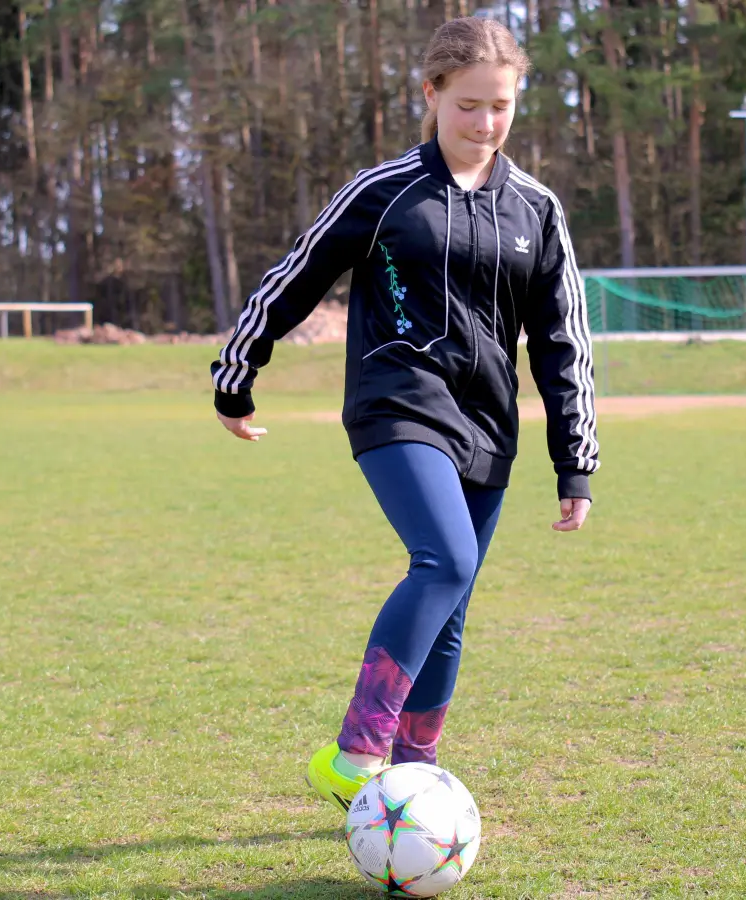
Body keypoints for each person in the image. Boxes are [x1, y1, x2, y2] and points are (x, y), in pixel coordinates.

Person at [211, 15, 598, 814]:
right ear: (431, 94)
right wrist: (235, 376)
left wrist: (575, 462)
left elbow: (563, 344)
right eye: (467, 105)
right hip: (396, 404)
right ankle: (358, 751)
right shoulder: (383, 192)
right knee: (445, 561)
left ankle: (414, 779)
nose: (484, 123)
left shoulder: (537, 209)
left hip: (488, 425)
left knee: (452, 607)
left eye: (500, 106)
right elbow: (293, 279)